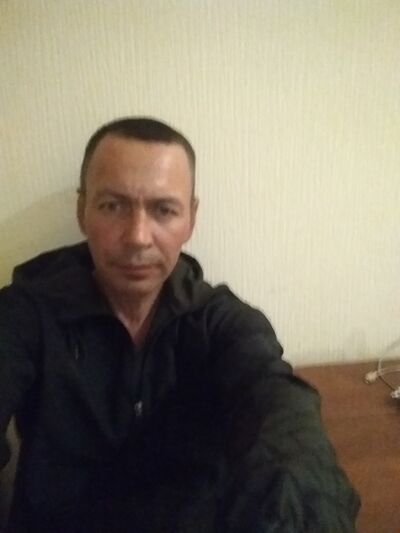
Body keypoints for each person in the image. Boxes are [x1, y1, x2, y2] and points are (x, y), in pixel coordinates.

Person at [0, 117, 359, 532]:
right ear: (82, 212)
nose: (137, 236)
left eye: (163, 210)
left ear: (191, 218)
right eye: (113, 206)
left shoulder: (220, 322)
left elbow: (281, 415)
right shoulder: (25, 313)